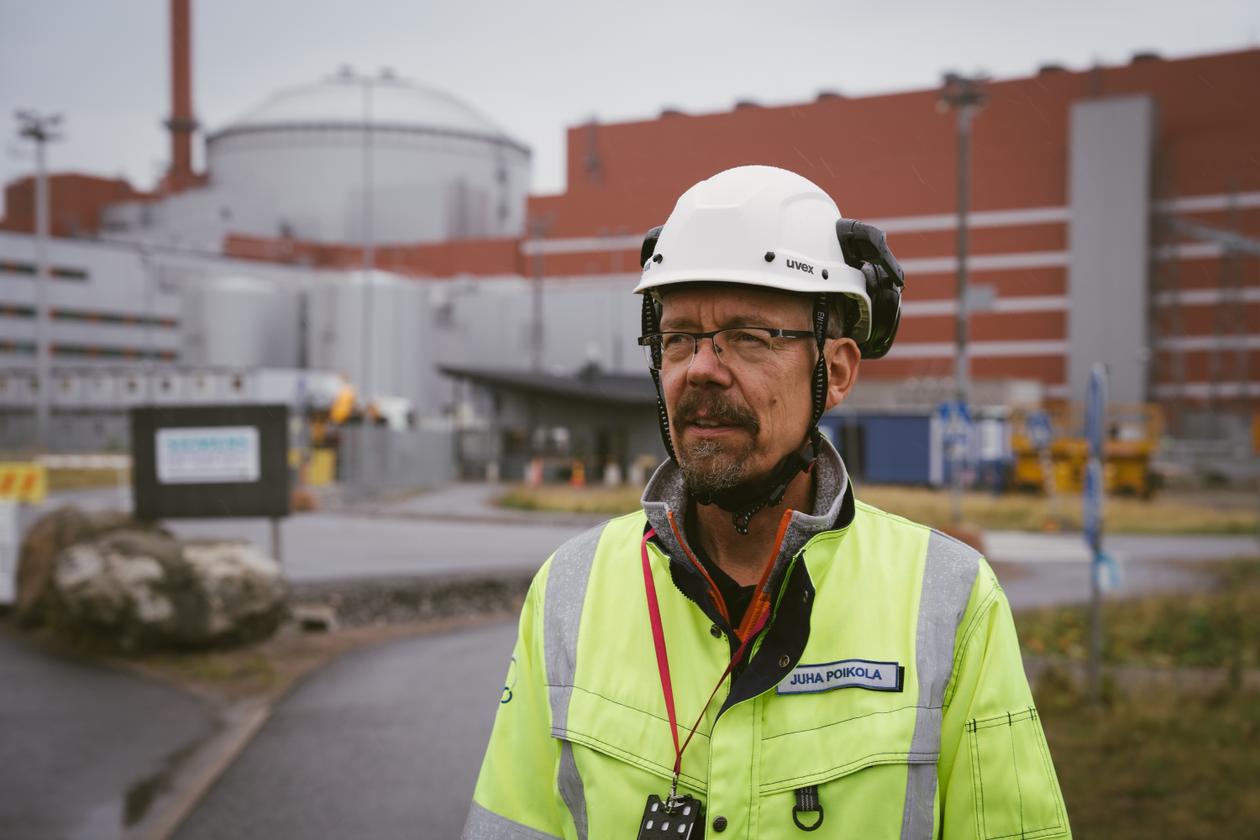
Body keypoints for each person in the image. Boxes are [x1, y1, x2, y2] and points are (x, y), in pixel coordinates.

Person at [463, 165, 1070, 839]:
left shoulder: (952, 604)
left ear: (834, 372)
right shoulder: (570, 592)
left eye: (749, 337)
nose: (700, 367)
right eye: (679, 338)